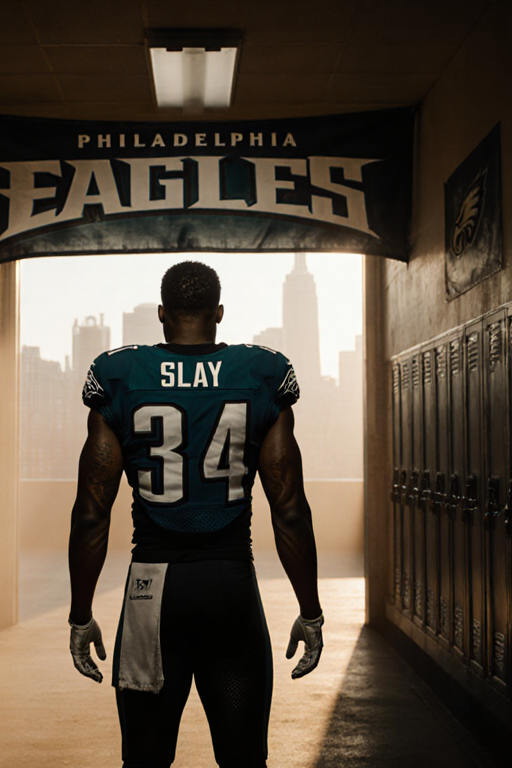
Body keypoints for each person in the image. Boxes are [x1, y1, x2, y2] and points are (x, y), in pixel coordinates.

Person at [66, 260, 325, 768]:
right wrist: (310, 612)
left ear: (162, 314)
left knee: (144, 762)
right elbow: (290, 510)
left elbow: (92, 514)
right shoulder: (259, 374)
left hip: (151, 591)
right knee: (243, 760)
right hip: (230, 583)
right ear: (219, 313)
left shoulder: (122, 375)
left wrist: (80, 615)